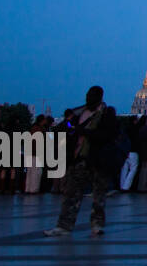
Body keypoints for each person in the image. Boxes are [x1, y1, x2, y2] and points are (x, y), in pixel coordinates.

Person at [44, 87, 117, 237]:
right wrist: (72, 126)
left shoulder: (106, 114)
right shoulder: (79, 114)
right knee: (71, 194)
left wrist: (82, 131)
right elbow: (67, 128)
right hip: (79, 158)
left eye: (92, 96)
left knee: (99, 195)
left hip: (97, 159)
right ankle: (64, 225)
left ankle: (97, 224)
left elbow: (106, 135)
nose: (88, 98)